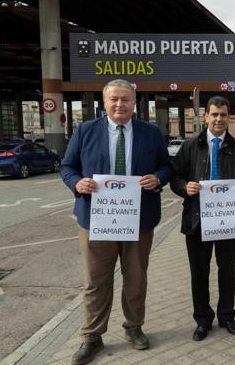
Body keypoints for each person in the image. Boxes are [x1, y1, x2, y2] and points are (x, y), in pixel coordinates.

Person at [60, 79, 170, 364]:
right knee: (95, 282)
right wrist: (77, 183)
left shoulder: (151, 132)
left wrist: (158, 178)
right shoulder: (85, 131)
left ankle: (134, 327)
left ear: (134, 103)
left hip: (138, 218)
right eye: (114, 99)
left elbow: (166, 166)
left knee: (136, 278)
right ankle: (92, 336)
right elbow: (67, 166)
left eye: (125, 99)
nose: (120, 104)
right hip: (96, 219)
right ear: (104, 102)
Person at [170, 96, 235, 341]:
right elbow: (174, 176)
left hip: (228, 220)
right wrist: (183, 187)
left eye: (223, 115)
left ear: (228, 118)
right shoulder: (190, 146)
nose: (219, 119)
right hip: (197, 221)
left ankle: (227, 316)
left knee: (227, 271)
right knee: (199, 272)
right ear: (206, 117)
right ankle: (202, 320)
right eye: (215, 114)